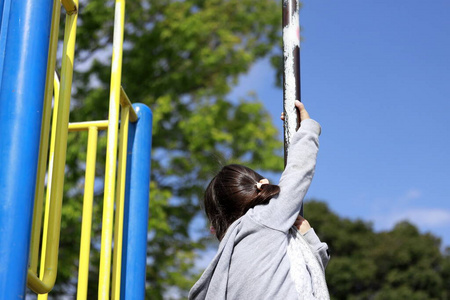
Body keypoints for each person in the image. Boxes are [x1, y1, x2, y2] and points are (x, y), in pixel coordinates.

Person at [189, 101, 330, 300]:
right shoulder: (262, 219)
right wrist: (307, 129)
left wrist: (310, 242)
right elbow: (298, 171)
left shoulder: (222, 270)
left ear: (215, 224)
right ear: (260, 187)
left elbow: (298, 277)